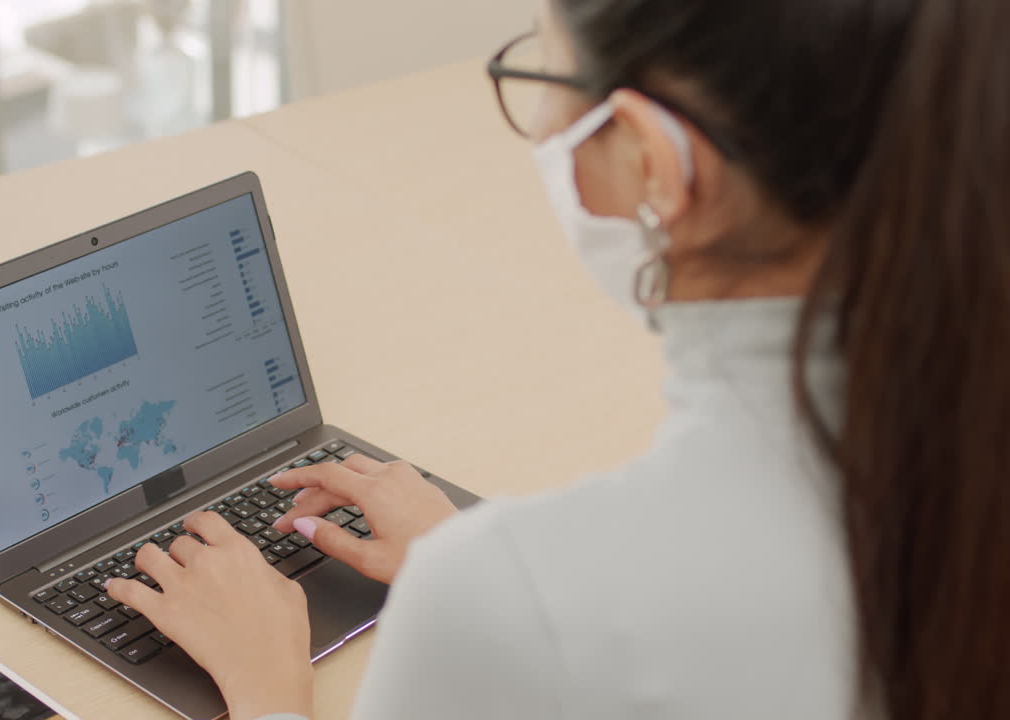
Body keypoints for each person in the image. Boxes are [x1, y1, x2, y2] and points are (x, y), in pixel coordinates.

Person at [105, 0, 1010, 717]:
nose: (538, 121)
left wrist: (268, 690)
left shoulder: (516, 599)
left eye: (542, 73)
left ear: (656, 164)